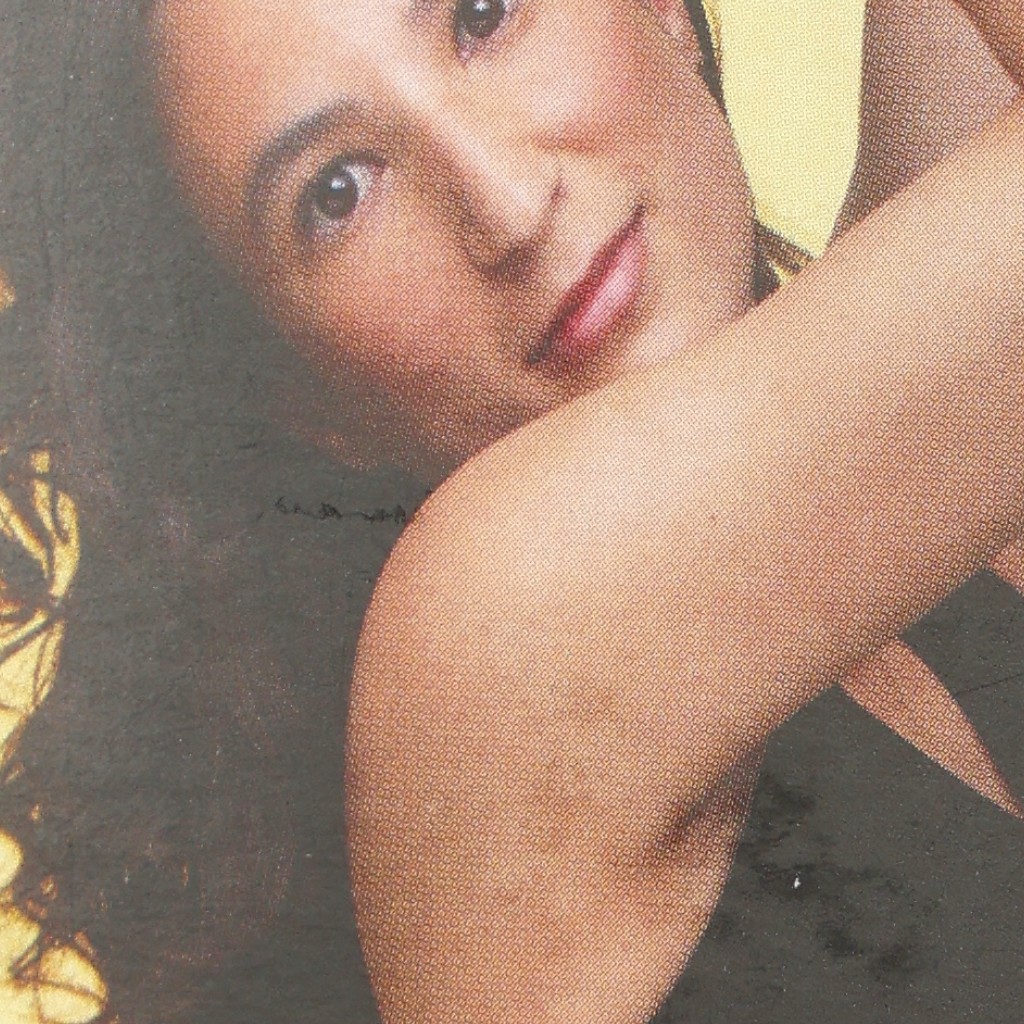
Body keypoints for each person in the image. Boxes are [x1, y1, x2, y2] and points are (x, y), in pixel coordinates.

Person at [0, 1, 1022, 1021]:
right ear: (302, 403)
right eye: (338, 191)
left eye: (482, 16)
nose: (509, 205)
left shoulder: (892, 474)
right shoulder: (499, 655)